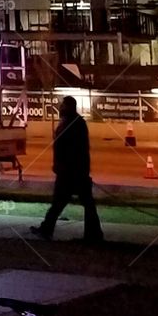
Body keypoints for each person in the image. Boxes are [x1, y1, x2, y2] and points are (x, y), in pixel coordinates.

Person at [31, 96, 104, 245]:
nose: (60, 108)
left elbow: (71, 149)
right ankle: (93, 234)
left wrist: (63, 166)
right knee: (75, 202)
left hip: (71, 171)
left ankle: (48, 229)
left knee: (62, 201)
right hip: (73, 170)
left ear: (69, 107)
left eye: (62, 105)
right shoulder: (73, 123)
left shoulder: (73, 124)